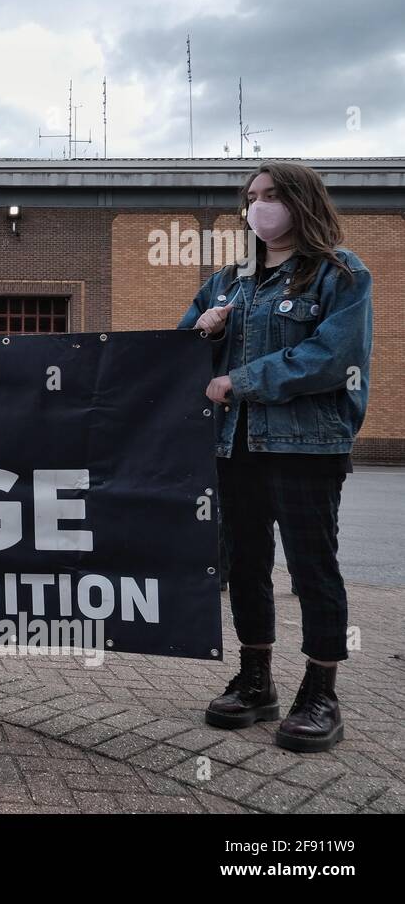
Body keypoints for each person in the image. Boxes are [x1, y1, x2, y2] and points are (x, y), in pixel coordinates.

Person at [178, 162, 372, 753]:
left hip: (306, 446)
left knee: (313, 568)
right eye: (251, 197)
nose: (257, 207)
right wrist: (203, 331)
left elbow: (331, 358)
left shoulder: (338, 273)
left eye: (270, 195)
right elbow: (181, 353)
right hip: (234, 446)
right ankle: (255, 680)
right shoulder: (227, 283)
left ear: (300, 202)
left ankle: (320, 692)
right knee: (245, 566)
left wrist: (242, 379)